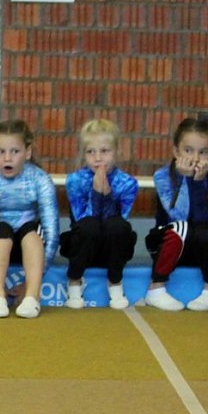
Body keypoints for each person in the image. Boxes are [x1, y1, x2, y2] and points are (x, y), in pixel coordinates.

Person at [0, 119, 59, 319]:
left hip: (29, 246)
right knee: (1, 230)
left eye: (15, 151)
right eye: (1, 152)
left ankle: (32, 297)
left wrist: (28, 283)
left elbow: (52, 236)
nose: (7, 158)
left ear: (27, 152)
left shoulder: (40, 180)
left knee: (32, 231)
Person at [143, 117, 208, 311]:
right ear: (175, 151)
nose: (195, 158)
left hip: (196, 248)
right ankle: (156, 288)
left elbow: (201, 219)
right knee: (183, 227)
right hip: (165, 244)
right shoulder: (162, 176)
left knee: (207, 232)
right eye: (188, 150)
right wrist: (189, 180)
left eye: (203, 152)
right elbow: (178, 216)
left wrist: (202, 183)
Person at [60, 119, 139, 309]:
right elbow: (83, 220)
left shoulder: (128, 183)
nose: (97, 158)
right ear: (83, 154)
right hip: (84, 246)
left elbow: (120, 219)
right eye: (90, 152)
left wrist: (107, 194)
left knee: (117, 225)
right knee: (89, 226)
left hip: (112, 248)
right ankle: (75, 280)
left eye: (104, 151)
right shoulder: (75, 181)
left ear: (116, 152)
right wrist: (96, 194)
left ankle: (115, 282)